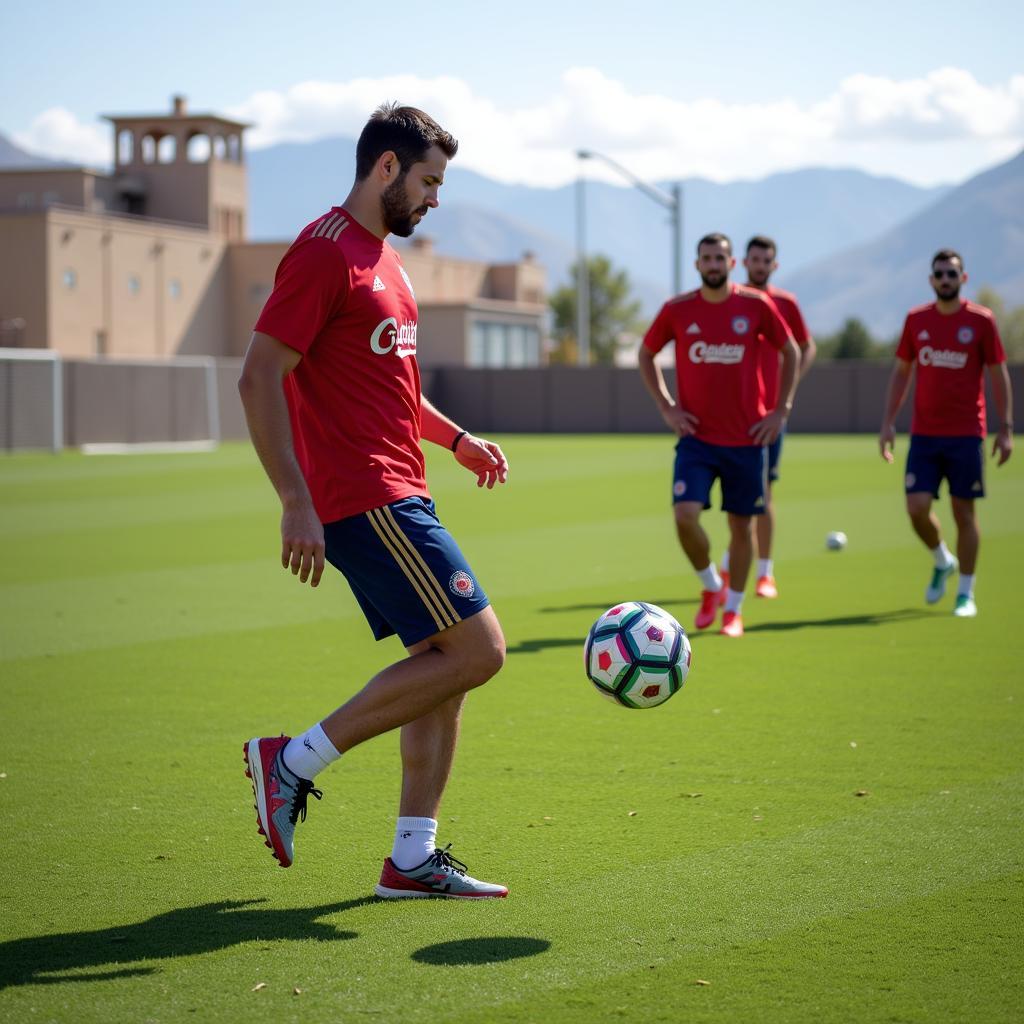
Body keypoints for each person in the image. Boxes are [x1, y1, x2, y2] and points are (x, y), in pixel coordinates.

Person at [238, 103, 510, 899]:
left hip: (403, 488)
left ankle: (412, 859)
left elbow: (395, 392)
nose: (435, 199)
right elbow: (259, 375)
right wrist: (295, 500)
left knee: (445, 666)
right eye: (428, 180)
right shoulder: (325, 253)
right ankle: (289, 762)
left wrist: (457, 440)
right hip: (364, 497)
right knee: (479, 652)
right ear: (385, 168)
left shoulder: (386, 264)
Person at [638, 233, 800, 638]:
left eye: (720, 258)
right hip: (697, 439)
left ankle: (734, 610)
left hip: (747, 440)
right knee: (684, 516)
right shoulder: (677, 309)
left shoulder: (756, 305)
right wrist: (667, 406)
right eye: (707, 258)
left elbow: (792, 350)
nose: (713, 264)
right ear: (697, 265)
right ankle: (711, 585)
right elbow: (646, 352)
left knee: (741, 528)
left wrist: (780, 411)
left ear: (732, 264)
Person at [879, 249, 1013, 617]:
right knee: (916, 508)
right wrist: (888, 421)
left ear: (963, 279)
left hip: (968, 433)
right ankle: (942, 559)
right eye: (939, 274)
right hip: (924, 435)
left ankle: (965, 594)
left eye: (952, 274)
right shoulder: (916, 320)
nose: (945, 279)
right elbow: (902, 372)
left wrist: (1006, 428)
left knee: (963, 513)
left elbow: (998, 374)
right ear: (930, 280)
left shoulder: (981, 321)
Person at [718, 236, 816, 600]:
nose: (760, 265)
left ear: (774, 265)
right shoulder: (732, 300)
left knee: (764, 493)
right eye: (754, 260)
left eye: (766, 261)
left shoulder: (785, 303)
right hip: (732, 415)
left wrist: (785, 394)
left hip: (768, 417)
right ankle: (733, 561)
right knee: (735, 499)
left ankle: (764, 572)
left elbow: (805, 348)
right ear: (744, 262)